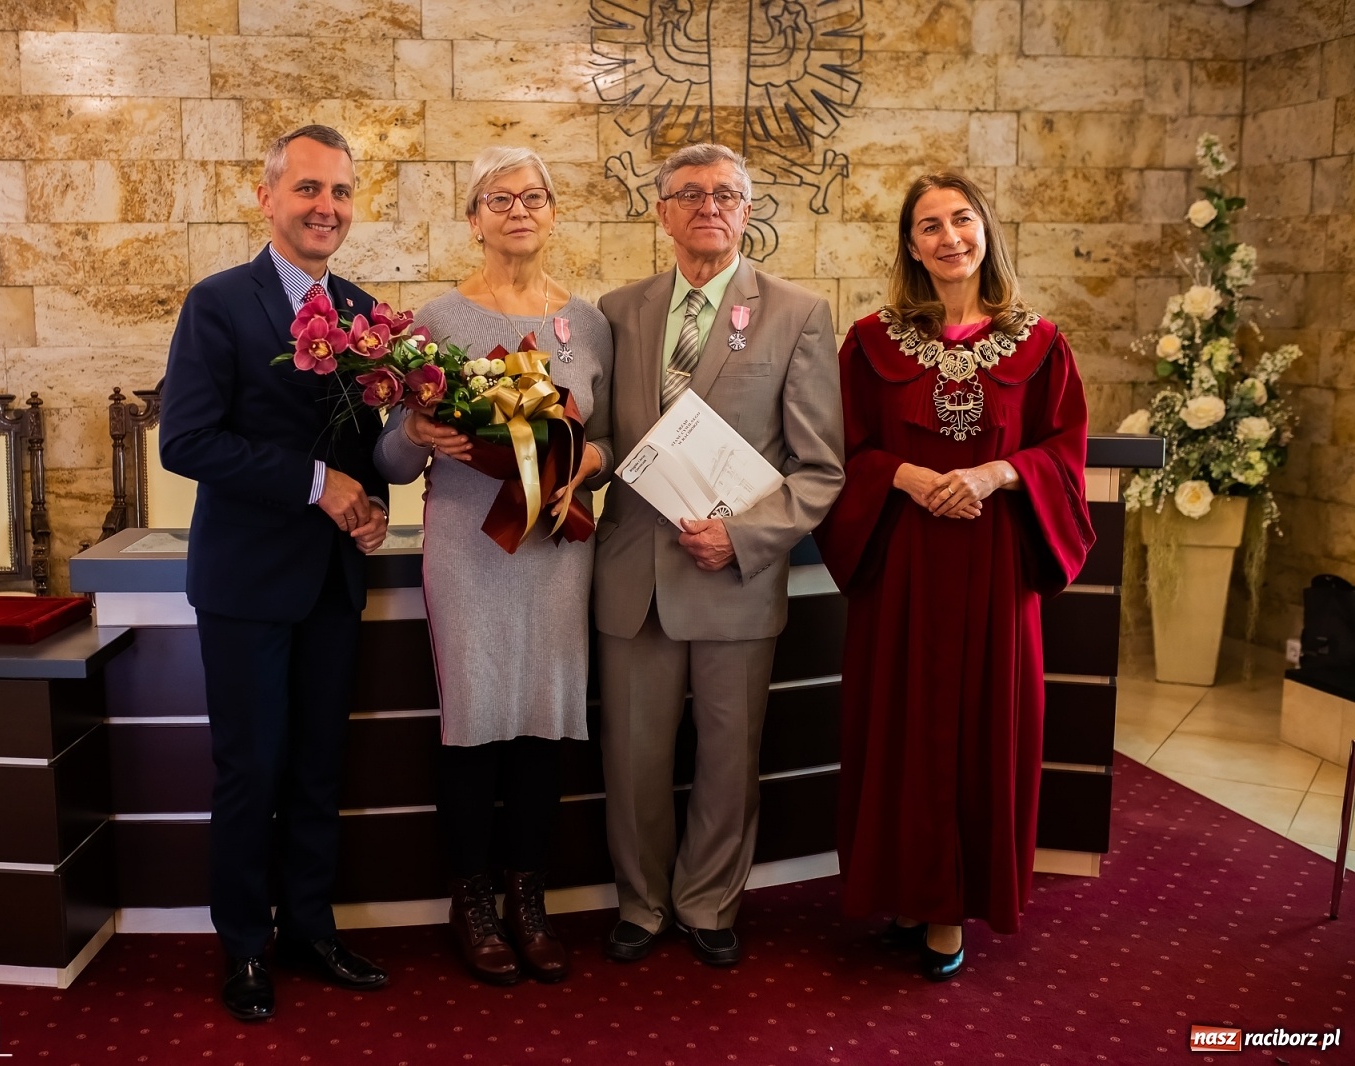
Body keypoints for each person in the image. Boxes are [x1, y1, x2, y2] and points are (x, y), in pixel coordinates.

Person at [817, 173, 1094, 982]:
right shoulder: (870, 341)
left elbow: (1062, 455)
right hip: (901, 563)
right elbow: (841, 451)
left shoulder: (1042, 344)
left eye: (961, 220)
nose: (948, 238)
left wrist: (993, 476)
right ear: (910, 244)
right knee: (898, 722)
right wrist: (904, 477)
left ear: (986, 230)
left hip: (994, 565)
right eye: (929, 226)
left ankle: (950, 908)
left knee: (983, 723)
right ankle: (905, 886)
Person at [160, 125, 392, 1022]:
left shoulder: (371, 315)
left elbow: (364, 451)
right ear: (266, 198)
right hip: (246, 585)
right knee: (249, 773)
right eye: (306, 190)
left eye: (338, 192)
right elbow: (187, 441)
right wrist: (317, 484)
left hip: (332, 583)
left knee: (317, 773)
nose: (324, 207)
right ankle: (245, 948)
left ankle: (310, 929)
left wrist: (370, 503)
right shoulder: (218, 303)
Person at [594, 142, 845, 967]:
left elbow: (821, 469)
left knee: (730, 757)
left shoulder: (797, 313)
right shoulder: (617, 311)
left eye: (726, 194)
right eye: (690, 193)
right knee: (632, 761)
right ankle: (643, 902)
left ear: (747, 210)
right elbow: (597, 440)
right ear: (662, 211)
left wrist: (741, 536)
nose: (709, 206)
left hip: (734, 578)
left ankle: (707, 902)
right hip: (634, 580)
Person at [374, 147, 612, 985]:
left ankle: (529, 898)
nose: (518, 209)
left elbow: (607, 439)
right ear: (472, 217)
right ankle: (470, 900)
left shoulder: (588, 324)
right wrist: (413, 435)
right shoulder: (432, 324)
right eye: (498, 198)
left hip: (555, 548)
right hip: (468, 550)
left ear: (553, 213)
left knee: (545, 719)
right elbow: (393, 464)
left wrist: (588, 462)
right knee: (474, 721)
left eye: (534, 196)